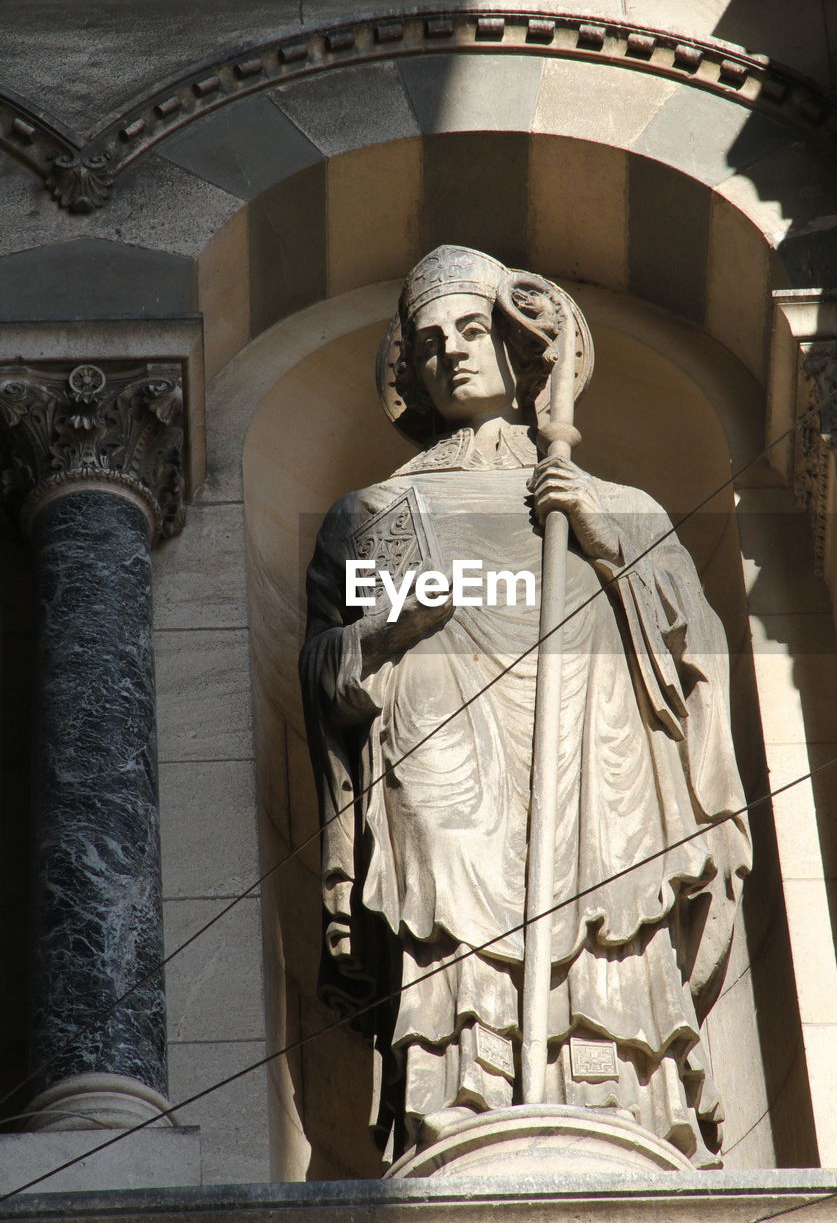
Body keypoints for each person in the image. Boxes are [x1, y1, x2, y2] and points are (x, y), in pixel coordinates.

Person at [299, 245, 751, 1169]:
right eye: (428, 344)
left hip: (594, 747)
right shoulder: (372, 515)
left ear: (518, 346)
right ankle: (458, 1113)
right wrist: (388, 635)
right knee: (450, 915)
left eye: (472, 331)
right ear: (410, 372)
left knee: (601, 916)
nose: (452, 354)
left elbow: (690, 650)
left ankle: (609, 1101)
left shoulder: (612, 498)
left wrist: (598, 533)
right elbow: (323, 669)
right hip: (437, 756)